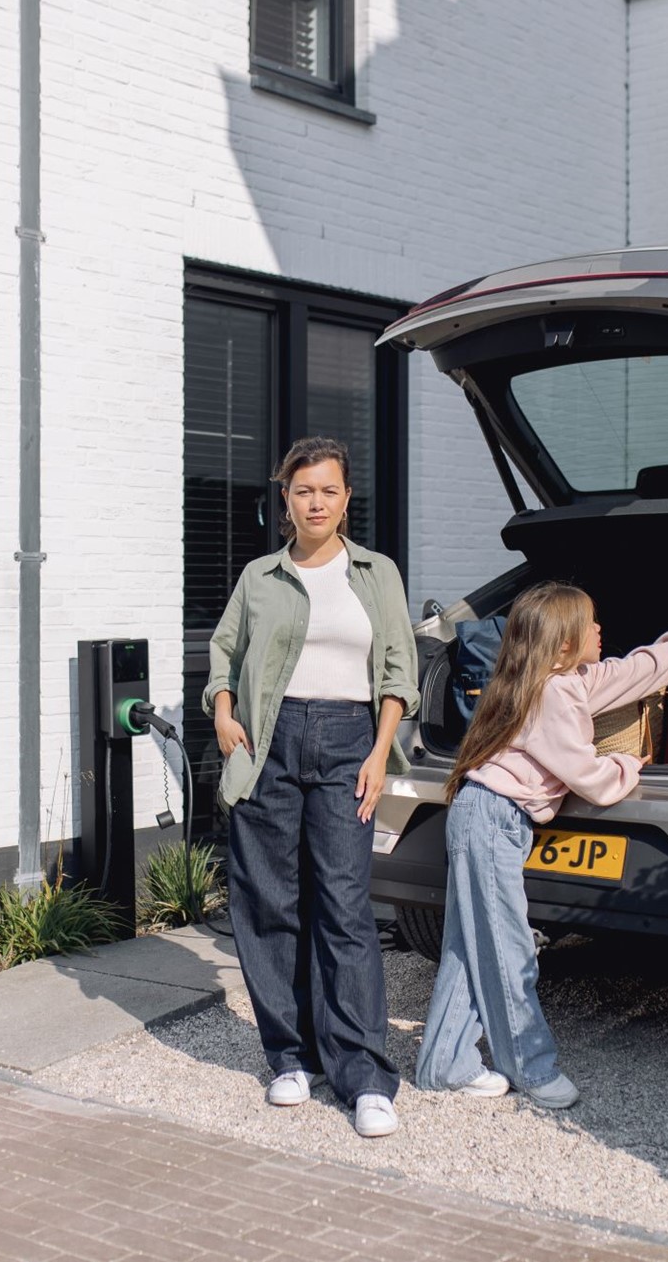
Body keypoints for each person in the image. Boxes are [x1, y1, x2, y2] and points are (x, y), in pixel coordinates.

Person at [414, 582, 668, 1108]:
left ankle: (444, 1064)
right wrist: (628, 764)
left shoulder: (553, 680)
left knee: (470, 944)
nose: (599, 628)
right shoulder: (551, 695)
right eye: (589, 622)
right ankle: (532, 1070)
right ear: (564, 643)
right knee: (509, 949)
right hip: (494, 822)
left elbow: (627, 672)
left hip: (485, 817)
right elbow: (587, 776)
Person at [203, 437, 419, 1139]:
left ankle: (362, 1072)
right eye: (303, 491)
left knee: (345, 905)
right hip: (269, 739)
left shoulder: (376, 573)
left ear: (346, 498)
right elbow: (224, 652)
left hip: (348, 741)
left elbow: (397, 667)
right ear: (286, 498)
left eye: (328, 490)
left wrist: (381, 750)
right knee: (269, 902)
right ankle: (290, 1056)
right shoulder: (261, 575)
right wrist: (223, 710)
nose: (316, 502)